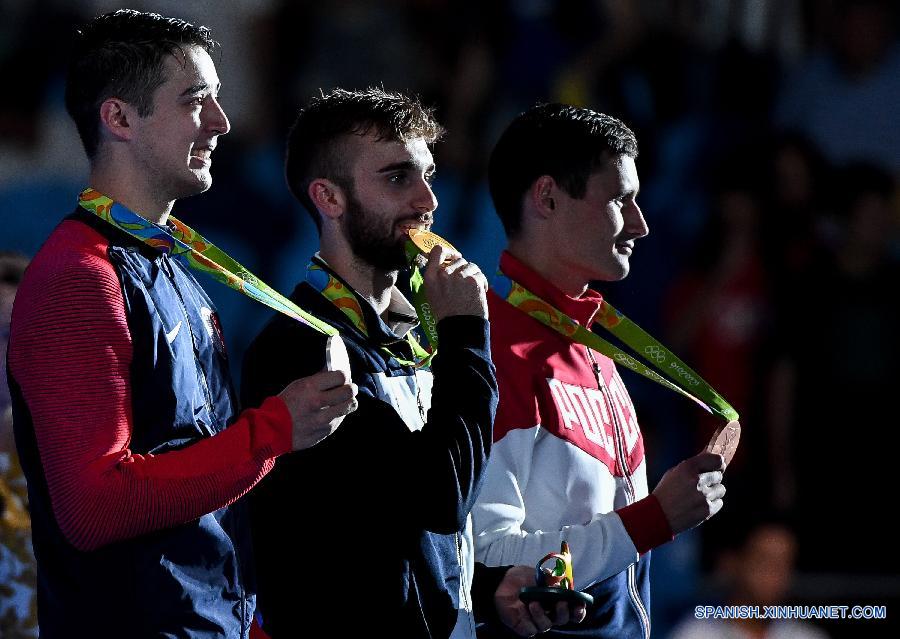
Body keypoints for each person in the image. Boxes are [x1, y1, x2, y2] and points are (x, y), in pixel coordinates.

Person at [5, 10, 357, 638]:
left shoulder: (167, 262)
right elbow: (95, 505)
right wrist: (275, 429)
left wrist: (244, 616)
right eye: (197, 101)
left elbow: (191, 454)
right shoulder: (80, 277)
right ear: (119, 119)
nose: (222, 122)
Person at [241, 88, 584, 638]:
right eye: (398, 178)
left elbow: (408, 534)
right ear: (329, 198)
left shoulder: (410, 335)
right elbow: (439, 494)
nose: (428, 201)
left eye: (427, 174)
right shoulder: (301, 349)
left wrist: (493, 589)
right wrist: (467, 333)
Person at [471, 103, 727, 638]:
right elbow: (488, 561)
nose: (641, 223)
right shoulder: (497, 352)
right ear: (547, 198)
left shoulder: (596, 353)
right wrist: (654, 518)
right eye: (620, 200)